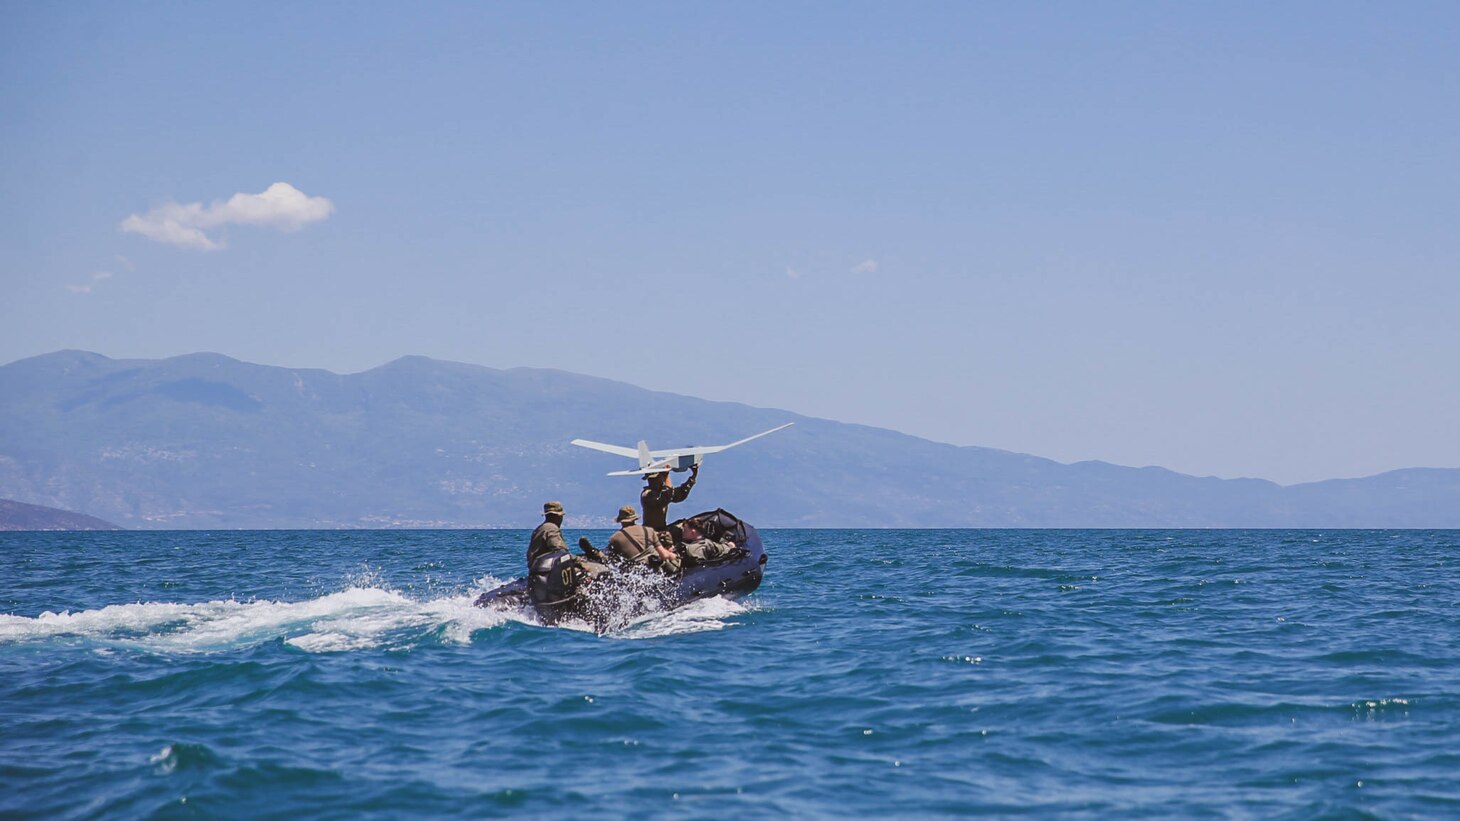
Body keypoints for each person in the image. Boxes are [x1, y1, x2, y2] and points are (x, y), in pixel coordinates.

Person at [526, 501, 597, 607]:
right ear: (558, 517)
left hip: (538, 571)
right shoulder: (552, 529)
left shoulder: (540, 528)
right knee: (588, 572)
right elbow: (560, 552)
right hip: (551, 573)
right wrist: (581, 563)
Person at [605, 505, 680, 573]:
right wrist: (675, 557)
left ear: (621, 521)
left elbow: (611, 562)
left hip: (635, 573)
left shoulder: (615, 538)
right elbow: (664, 554)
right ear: (634, 519)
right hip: (654, 570)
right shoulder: (649, 531)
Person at [641, 463, 697, 531]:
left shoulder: (660, 492)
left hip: (661, 529)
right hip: (650, 532)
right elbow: (666, 497)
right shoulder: (647, 495)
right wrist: (667, 477)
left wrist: (693, 476)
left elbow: (679, 495)